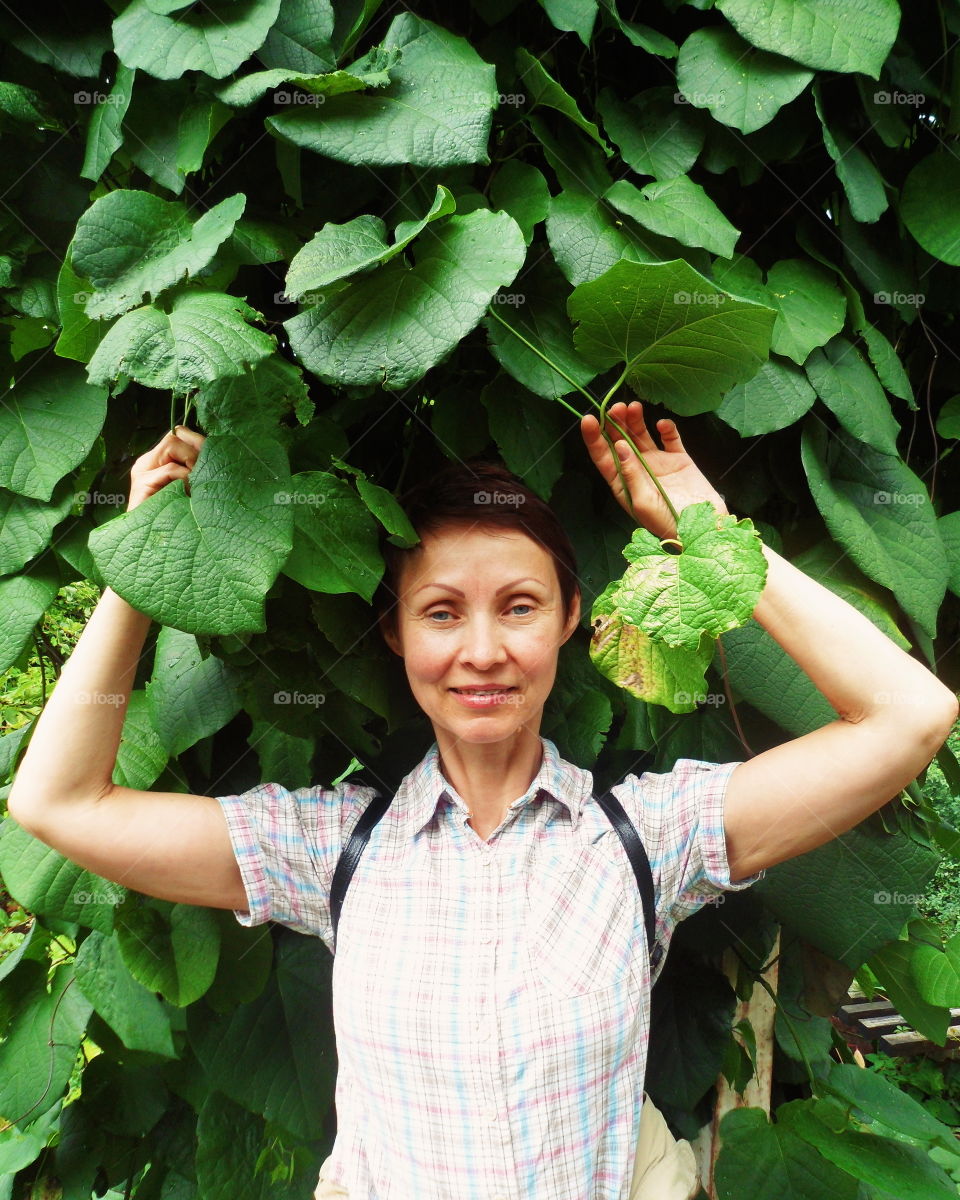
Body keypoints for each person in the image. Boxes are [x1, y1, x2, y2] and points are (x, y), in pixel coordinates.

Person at [8, 401, 957, 1200]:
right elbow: (62, 803)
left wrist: (705, 530)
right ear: (397, 634)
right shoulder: (332, 849)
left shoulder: (644, 840)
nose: (483, 651)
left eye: (519, 605)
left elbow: (911, 714)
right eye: (441, 611)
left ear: (570, 619)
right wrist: (144, 559)